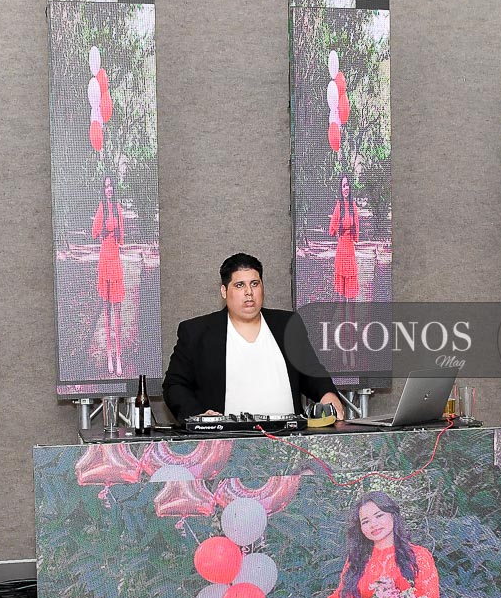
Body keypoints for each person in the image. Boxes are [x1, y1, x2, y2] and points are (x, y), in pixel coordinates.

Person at [163, 253, 344, 421]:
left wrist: (327, 394)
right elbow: (175, 385)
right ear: (224, 291)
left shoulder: (287, 324)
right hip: (225, 439)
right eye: (239, 285)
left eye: (255, 284)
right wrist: (199, 417)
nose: (249, 292)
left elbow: (311, 372)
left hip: (288, 438)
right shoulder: (196, 332)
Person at [92, 175, 125, 376]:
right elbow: (94, 232)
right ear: (103, 190)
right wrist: (104, 233)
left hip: (115, 259)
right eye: (106, 186)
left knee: (117, 311)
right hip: (104, 258)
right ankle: (109, 356)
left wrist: (113, 236)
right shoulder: (101, 208)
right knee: (106, 311)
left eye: (111, 185)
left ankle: (119, 356)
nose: (109, 189)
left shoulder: (118, 207)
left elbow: (121, 237)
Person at [329, 174, 360, 301]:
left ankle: (351, 313)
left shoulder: (353, 206)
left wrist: (354, 236)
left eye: (347, 185)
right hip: (341, 250)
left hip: (350, 249)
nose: (346, 188)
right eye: (343, 186)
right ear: (341, 189)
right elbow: (332, 228)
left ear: (350, 187)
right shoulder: (339, 206)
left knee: (351, 292)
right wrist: (338, 230)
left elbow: (356, 225)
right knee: (341, 293)